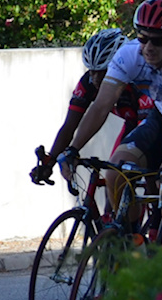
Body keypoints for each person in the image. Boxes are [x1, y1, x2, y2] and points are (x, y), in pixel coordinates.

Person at [55, 0, 162, 248]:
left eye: (158, 40)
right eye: (143, 38)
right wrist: (73, 149)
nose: (149, 47)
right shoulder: (130, 54)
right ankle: (132, 244)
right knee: (115, 173)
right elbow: (101, 105)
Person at [31, 27, 145, 190]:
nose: (96, 78)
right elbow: (69, 126)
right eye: (92, 71)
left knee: (126, 176)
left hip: (150, 122)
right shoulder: (88, 83)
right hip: (132, 122)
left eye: (103, 72)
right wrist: (50, 161)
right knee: (113, 187)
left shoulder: (137, 83)